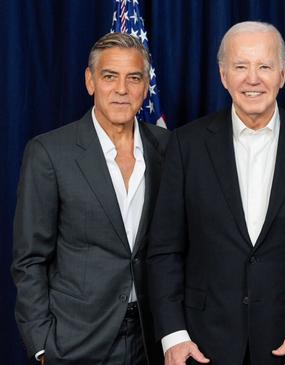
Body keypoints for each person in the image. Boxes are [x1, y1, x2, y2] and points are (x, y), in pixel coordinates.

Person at [146, 21, 285, 365]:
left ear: (283, 73)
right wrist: (173, 336)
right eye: (240, 66)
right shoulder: (186, 145)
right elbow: (164, 250)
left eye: (264, 66)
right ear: (223, 74)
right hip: (200, 348)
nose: (252, 78)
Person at [11, 33, 168, 364]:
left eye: (134, 78)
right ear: (90, 81)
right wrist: (42, 344)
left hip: (151, 337)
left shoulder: (169, 148)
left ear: (145, 86)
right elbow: (30, 259)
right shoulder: (50, 153)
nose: (122, 89)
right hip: (76, 340)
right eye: (110, 76)